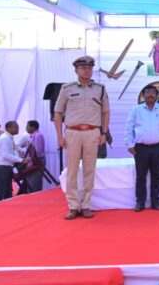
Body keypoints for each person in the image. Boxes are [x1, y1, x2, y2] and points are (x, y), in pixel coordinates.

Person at [54, 56, 110, 220]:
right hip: (73, 132)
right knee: (71, 170)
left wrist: (104, 133)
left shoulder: (100, 89)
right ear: (76, 70)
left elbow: (106, 112)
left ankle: (85, 205)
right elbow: (58, 112)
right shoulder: (67, 88)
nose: (87, 70)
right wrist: (59, 136)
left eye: (89, 68)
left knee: (89, 170)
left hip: (92, 132)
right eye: (83, 68)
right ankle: (73, 206)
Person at [125, 85, 159, 212]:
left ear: (157, 95)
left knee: (156, 175)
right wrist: (129, 144)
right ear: (143, 95)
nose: (150, 94)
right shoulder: (136, 110)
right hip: (140, 148)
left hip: (158, 147)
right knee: (140, 176)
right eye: (147, 92)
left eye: (153, 92)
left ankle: (155, 201)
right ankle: (140, 202)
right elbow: (129, 128)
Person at [0, 121, 26, 202]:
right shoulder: (5, 138)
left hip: (6, 167)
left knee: (8, 191)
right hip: (1, 168)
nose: (18, 128)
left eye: (17, 127)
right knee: (1, 191)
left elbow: (11, 153)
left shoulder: (8, 137)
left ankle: (7, 208)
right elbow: (6, 155)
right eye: (16, 127)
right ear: (8, 128)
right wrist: (21, 160)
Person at [25, 120, 46, 192]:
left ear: (33, 127)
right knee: (33, 180)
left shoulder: (38, 136)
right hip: (34, 160)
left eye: (27, 126)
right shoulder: (33, 135)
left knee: (34, 181)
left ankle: (33, 195)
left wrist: (31, 161)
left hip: (37, 160)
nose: (26, 128)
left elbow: (38, 151)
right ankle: (35, 194)